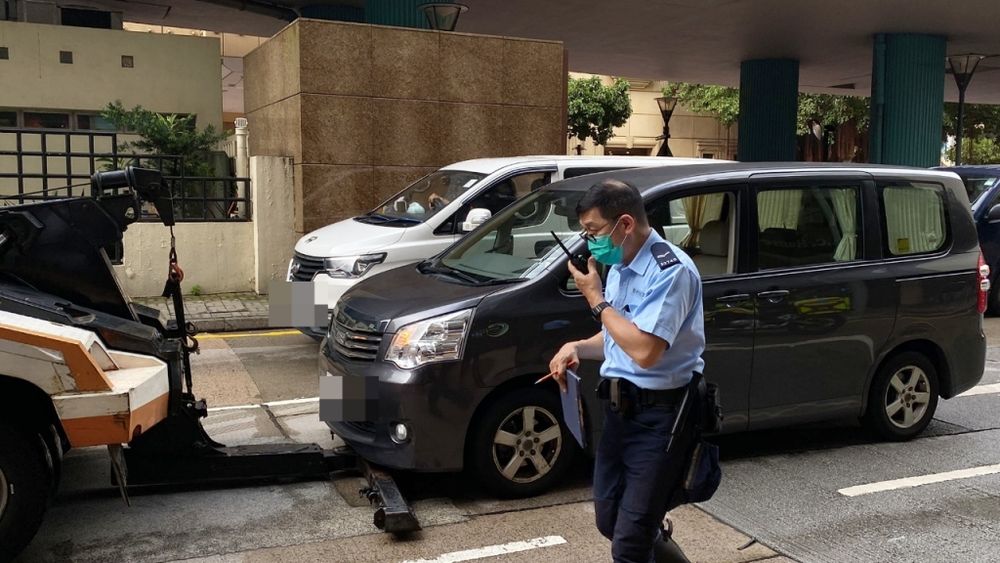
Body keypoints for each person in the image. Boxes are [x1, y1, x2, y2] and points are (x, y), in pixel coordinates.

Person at [548, 178, 705, 563]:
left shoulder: (671, 271)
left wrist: (596, 299)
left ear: (625, 224)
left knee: (630, 543)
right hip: (620, 413)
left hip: (661, 416)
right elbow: (619, 336)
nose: (590, 242)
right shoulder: (619, 264)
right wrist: (577, 347)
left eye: (594, 231)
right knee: (611, 519)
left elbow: (646, 351)